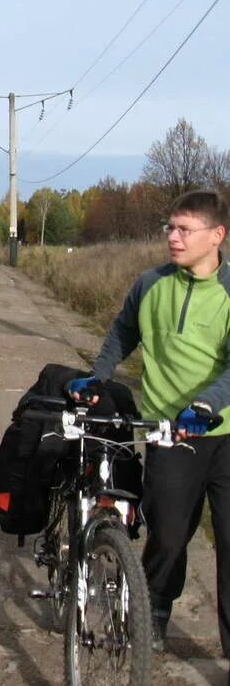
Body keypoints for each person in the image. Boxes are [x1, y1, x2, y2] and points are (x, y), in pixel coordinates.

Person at [66, 189, 230, 657]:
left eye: (184, 229)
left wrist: (205, 405)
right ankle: (156, 610)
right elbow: (123, 331)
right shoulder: (149, 284)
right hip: (169, 434)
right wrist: (98, 375)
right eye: (170, 228)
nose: (173, 238)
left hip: (221, 431)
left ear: (216, 235)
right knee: (169, 535)